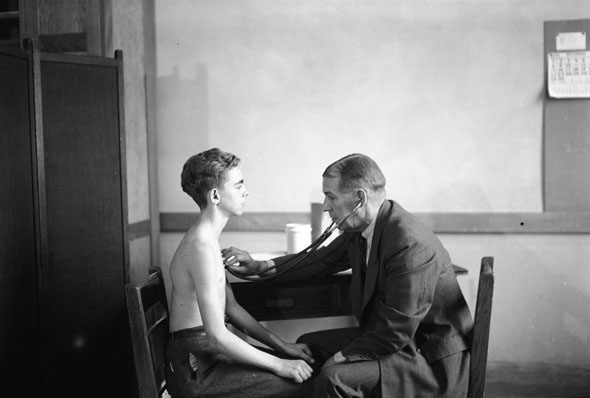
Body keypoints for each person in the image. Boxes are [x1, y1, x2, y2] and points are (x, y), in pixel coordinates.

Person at [222, 153, 473, 397]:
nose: (325, 206)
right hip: (399, 342)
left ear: (359, 198)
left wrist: (341, 358)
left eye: (330, 197)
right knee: (308, 347)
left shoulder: (410, 243)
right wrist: (259, 266)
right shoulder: (363, 228)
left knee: (334, 377)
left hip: (426, 358)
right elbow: (318, 261)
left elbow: (396, 331)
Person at [165, 148, 315, 398]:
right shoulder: (200, 247)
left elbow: (232, 310)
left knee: (307, 370)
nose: (246, 192)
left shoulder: (208, 241)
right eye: (238, 185)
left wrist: (284, 347)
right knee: (307, 384)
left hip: (209, 353)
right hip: (196, 368)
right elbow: (217, 337)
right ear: (215, 195)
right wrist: (281, 364)